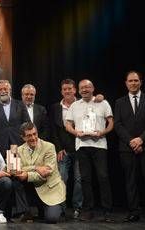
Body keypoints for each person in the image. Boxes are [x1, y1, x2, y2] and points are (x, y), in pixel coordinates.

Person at [114, 71, 145, 223]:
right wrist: (132, 141)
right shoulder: (119, 102)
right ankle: (134, 212)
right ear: (126, 83)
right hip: (127, 147)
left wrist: (141, 139)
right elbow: (118, 125)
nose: (133, 83)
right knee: (131, 181)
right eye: (130, 81)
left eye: (136, 80)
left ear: (141, 82)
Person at [65, 79, 114, 222]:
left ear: (93, 88)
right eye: (82, 88)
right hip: (82, 145)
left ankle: (107, 211)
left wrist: (103, 132)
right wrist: (75, 133)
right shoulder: (74, 105)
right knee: (85, 179)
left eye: (87, 87)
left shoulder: (102, 103)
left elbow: (111, 122)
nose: (85, 89)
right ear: (78, 90)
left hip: (99, 145)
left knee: (103, 177)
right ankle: (87, 210)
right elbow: (68, 124)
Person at [12, 122, 65, 223]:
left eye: (34, 134)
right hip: (32, 189)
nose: (33, 137)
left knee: (51, 218)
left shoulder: (49, 147)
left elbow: (46, 172)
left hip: (49, 188)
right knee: (15, 180)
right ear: (23, 137)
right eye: (29, 135)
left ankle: (55, 207)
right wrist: (36, 167)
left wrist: (27, 174)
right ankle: (25, 212)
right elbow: (13, 169)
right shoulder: (18, 150)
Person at [49, 79, 83, 219]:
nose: (67, 91)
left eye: (70, 88)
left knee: (79, 180)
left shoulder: (83, 104)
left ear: (75, 90)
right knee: (62, 179)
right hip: (63, 150)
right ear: (61, 91)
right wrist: (58, 148)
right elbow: (53, 130)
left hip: (81, 148)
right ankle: (61, 209)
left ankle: (77, 208)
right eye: (64, 89)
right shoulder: (55, 107)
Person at [0, 80, 30, 157]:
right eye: (0, 89)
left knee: (17, 167)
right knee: (4, 168)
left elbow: (27, 124)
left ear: (10, 90)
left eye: (5, 89)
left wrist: (27, 141)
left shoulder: (20, 105)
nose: (3, 91)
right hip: (2, 146)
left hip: (18, 144)